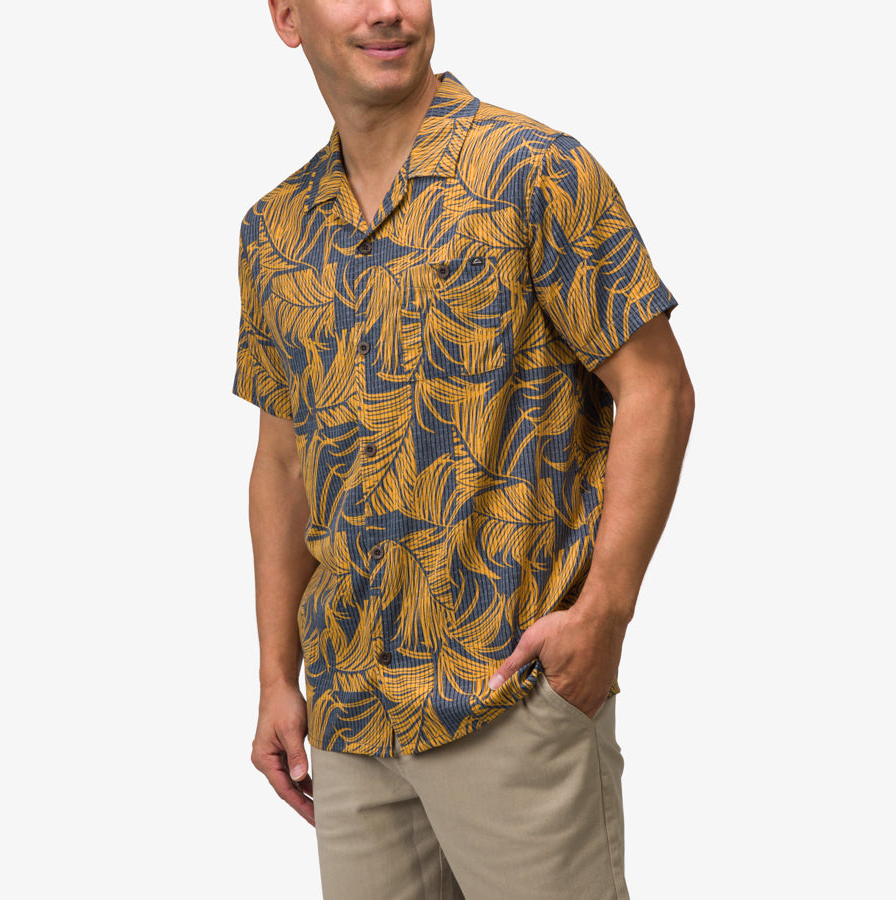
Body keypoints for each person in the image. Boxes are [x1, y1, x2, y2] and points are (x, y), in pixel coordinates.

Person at [233, 2, 695, 897]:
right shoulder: (274, 232)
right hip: (351, 720)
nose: (388, 11)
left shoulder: (534, 171)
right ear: (287, 16)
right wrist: (275, 676)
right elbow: (283, 462)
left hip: (510, 696)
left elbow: (657, 389)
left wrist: (604, 615)